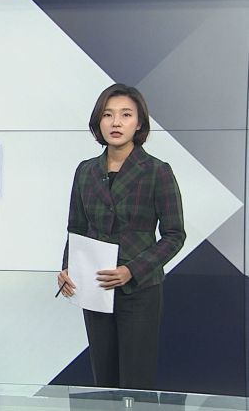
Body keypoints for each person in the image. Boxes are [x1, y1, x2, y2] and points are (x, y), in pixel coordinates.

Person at [57, 83, 186, 390]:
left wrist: (132, 270)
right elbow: (76, 228)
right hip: (95, 287)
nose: (116, 122)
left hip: (139, 290)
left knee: (135, 383)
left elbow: (174, 235)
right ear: (98, 122)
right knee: (104, 381)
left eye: (126, 115)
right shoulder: (85, 171)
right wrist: (67, 268)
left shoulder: (157, 171)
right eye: (108, 115)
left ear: (139, 123)